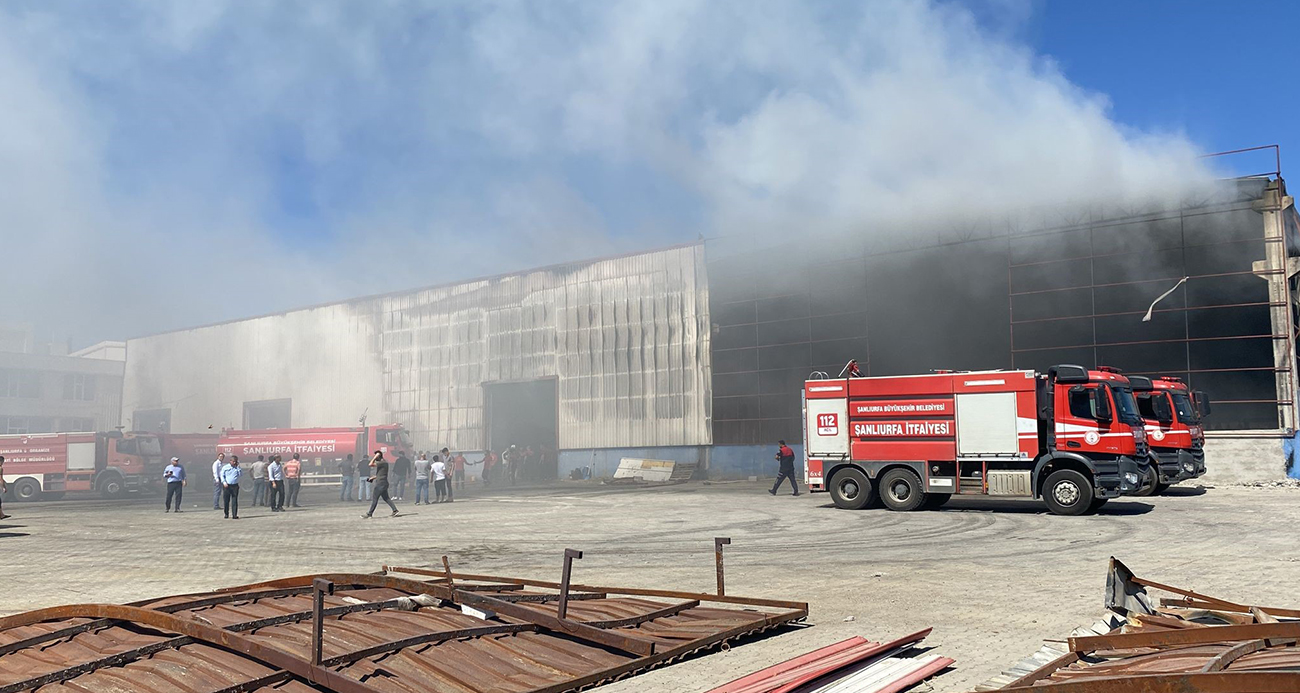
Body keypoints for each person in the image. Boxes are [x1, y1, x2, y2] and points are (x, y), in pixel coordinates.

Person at [362, 451, 399, 518]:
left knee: (375, 499)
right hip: (383, 483)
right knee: (386, 498)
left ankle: (369, 513)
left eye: (376, 456)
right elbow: (381, 474)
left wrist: (375, 457)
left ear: (379, 456)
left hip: (380, 484)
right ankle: (395, 510)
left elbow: (370, 464)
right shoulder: (384, 463)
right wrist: (373, 478)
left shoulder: (382, 463)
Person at [0, 456, 8, 520]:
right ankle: (1, 515)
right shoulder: (0, 468)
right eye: (2, 461)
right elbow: (0, 479)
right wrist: (4, 487)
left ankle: (1, 515)